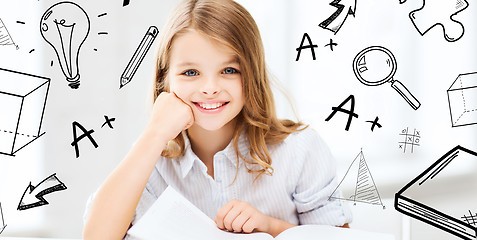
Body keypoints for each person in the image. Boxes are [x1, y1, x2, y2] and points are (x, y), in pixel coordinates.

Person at [83, 0, 352, 239]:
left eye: (229, 70)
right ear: (166, 80)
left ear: (252, 75)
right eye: (190, 72)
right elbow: (96, 236)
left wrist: (270, 226)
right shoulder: (152, 159)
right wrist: (155, 132)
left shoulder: (299, 150)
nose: (210, 87)